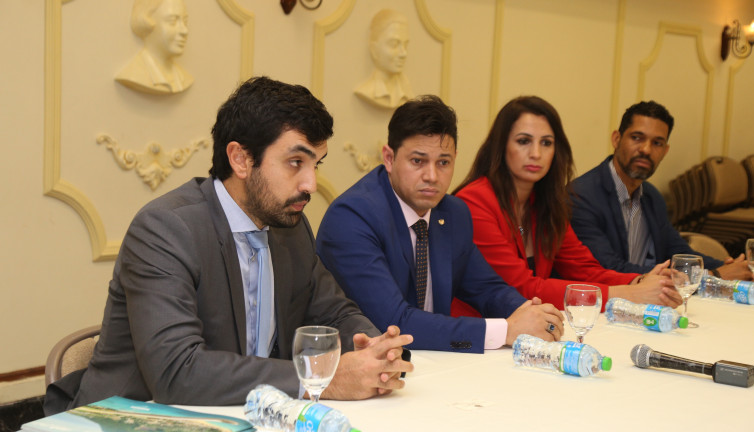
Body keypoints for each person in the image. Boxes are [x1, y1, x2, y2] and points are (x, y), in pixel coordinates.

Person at [44, 76, 413, 416]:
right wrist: (321, 379)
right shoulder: (165, 229)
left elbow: (334, 313)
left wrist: (373, 348)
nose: (310, 184)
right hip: (129, 416)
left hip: (237, 415)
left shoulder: (290, 227)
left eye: (316, 164)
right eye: (295, 162)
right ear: (240, 159)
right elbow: (176, 370)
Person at [316, 95, 565, 354]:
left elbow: (487, 288)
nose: (432, 176)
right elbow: (394, 322)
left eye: (443, 162)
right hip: (361, 365)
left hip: (435, 360)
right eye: (418, 161)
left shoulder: (453, 212)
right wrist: (505, 330)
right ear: (389, 158)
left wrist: (530, 312)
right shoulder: (352, 217)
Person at [452, 96, 681, 313]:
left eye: (546, 143)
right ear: (501, 146)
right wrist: (630, 294)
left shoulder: (545, 203)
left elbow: (584, 269)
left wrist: (641, 281)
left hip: (531, 327)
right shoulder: (475, 202)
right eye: (523, 141)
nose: (536, 153)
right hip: (480, 332)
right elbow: (522, 288)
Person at [570, 100, 752, 281]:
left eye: (657, 143)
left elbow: (678, 252)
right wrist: (714, 275)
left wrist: (728, 267)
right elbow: (608, 269)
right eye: (637, 138)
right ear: (616, 139)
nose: (646, 150)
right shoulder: (580, 196)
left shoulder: (651, 195)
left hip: (652, 294)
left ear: (665, 151)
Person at [115, 0, 194, 94]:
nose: (185, 31)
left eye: (185, 22)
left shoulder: (184, 78)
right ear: (146, 22)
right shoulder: (132, 75)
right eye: (172, 21)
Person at [354, 9, 414, 109]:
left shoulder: (407, 92)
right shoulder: (367, 91)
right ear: (374, 49)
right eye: (394, 44)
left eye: (405, 45)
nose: (404, 53)